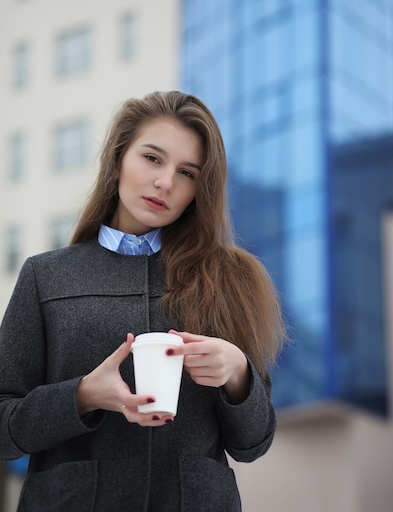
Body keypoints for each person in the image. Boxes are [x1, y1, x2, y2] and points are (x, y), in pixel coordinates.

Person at [0, 91, 286, 511]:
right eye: (152, 158)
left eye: (187, 172)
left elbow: (253, 444)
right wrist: (82, 396)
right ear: (118, 159)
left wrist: (238, 373)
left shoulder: (228, 278)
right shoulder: (45, 276)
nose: (166, 182)